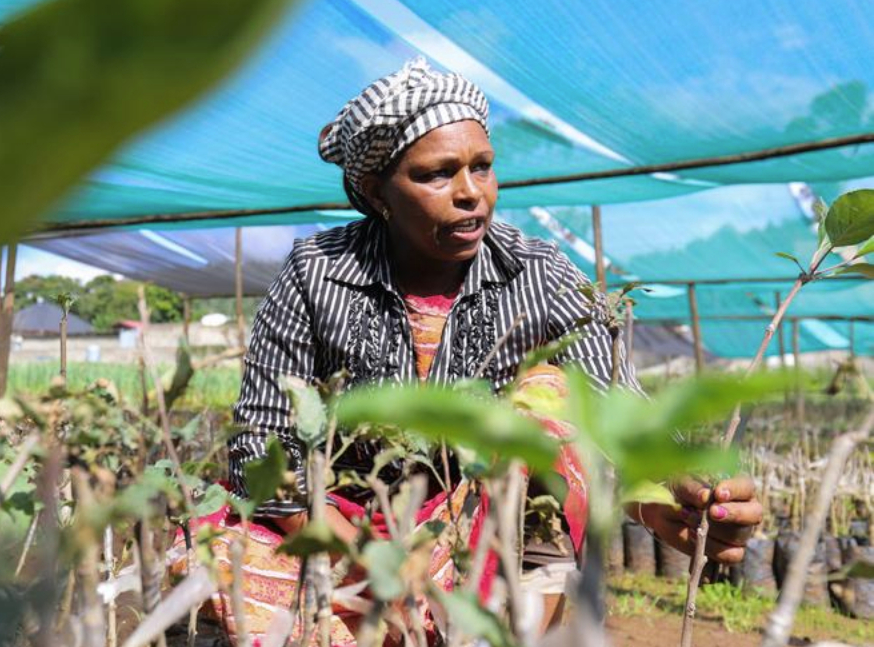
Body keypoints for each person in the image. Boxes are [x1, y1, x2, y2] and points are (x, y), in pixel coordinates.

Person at [193, 58, 760, 642]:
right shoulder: (316, 272)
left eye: (483, 167)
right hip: (342, 528)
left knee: (549, 396)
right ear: (376, 191)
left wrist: (671, 494)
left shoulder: (538, 272)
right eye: (437, 174)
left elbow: (618, 406)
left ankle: (499, 625)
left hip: (478, 533)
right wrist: (374, 561)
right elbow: (262, 449)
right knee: (222, 559)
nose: (471, 194)